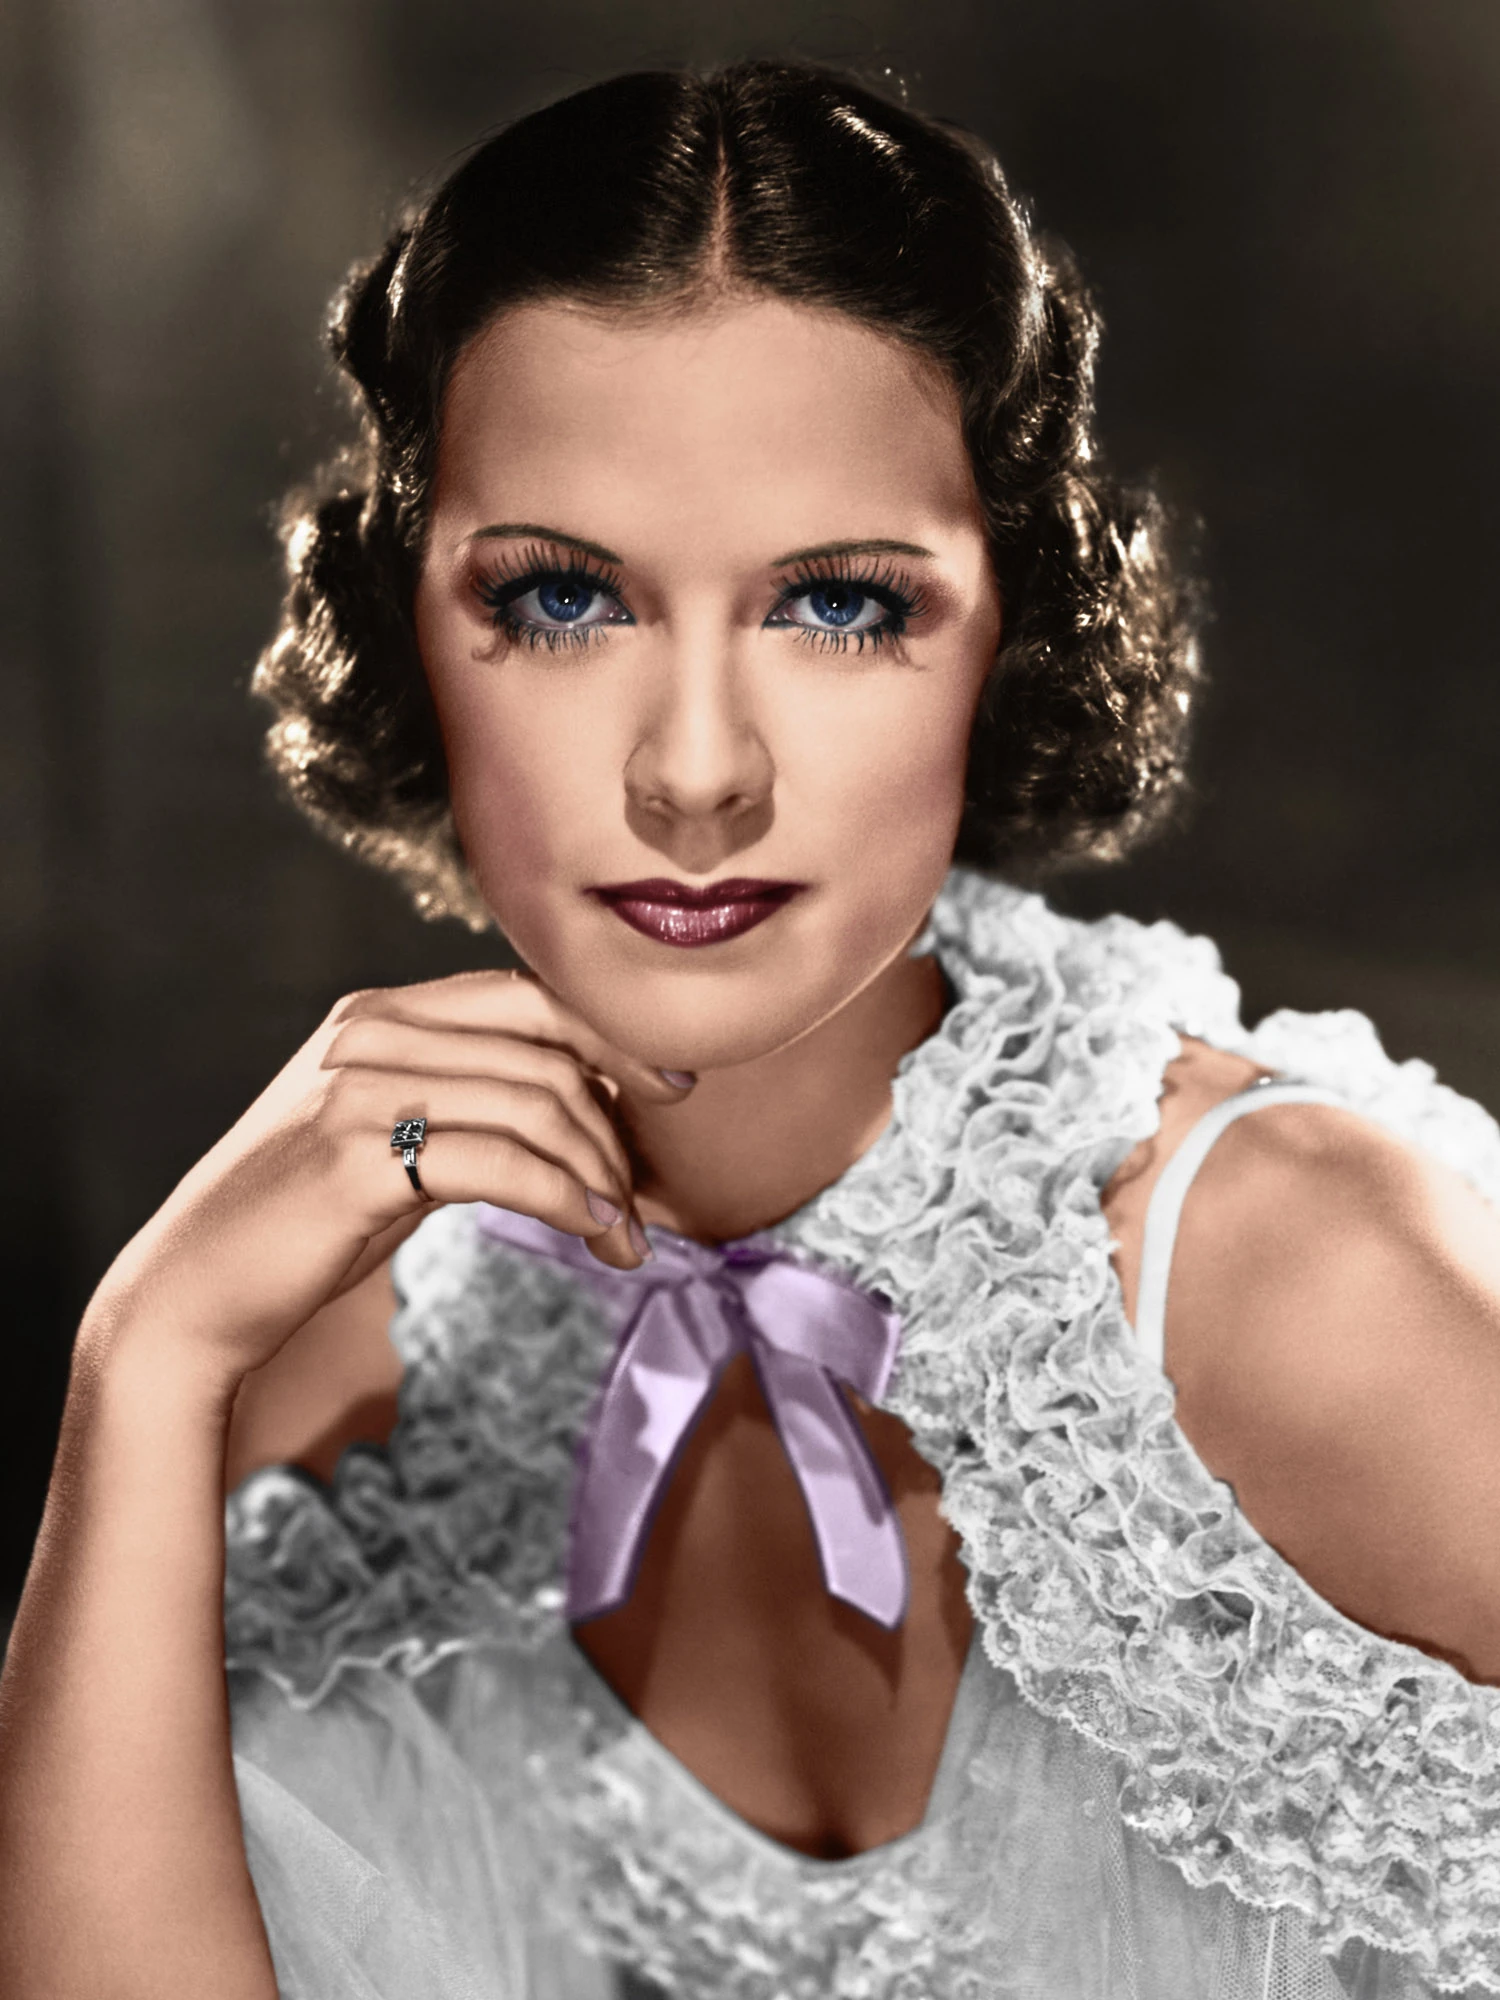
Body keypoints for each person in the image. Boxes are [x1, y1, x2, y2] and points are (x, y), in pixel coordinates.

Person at [3, 55, 1500, 2000]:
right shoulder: (335, 1369)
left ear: (1008, 633)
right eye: (563, 599)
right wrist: (142, 1358)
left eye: (840, 607)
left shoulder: (1305, 1275)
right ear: (407, 630)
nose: (696, 771)